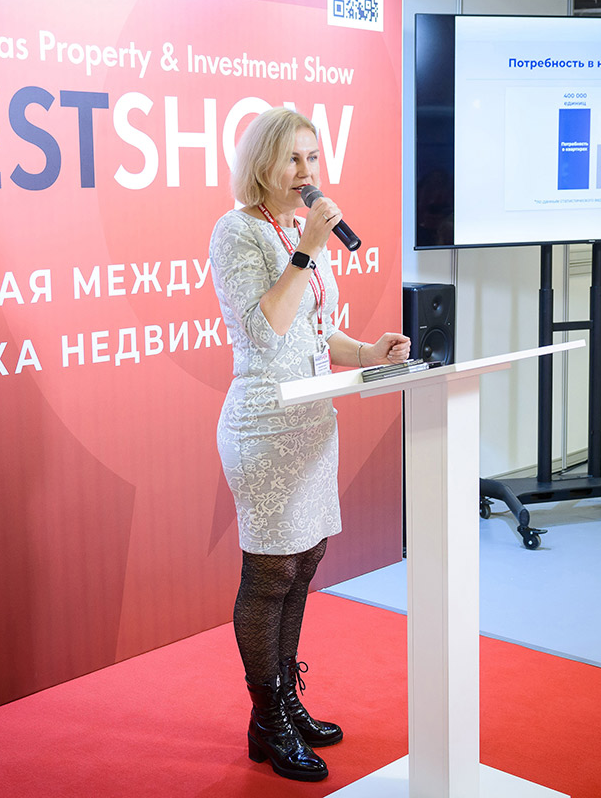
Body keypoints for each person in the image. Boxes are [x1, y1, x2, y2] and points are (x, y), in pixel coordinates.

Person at [208, 107, 411, 782]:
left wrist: (370, 351)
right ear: (262, 164)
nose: (306, 172)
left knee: (304, 562)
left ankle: (287, 702)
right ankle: (265, 718)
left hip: (314, 421)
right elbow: (264, 329)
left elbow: (318, 333)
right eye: (292, 158)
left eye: (313, 158)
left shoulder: (299, 230)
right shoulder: (237, 231)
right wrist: (306, 254)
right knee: (270, 573)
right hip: (264, 425)